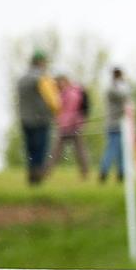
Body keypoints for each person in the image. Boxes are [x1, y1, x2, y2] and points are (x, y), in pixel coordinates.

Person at [16, 51, 57, 184]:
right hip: (41, 119)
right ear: (40, 62)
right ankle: (38, 176)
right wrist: (56, 110)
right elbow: (51, 99)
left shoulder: (22, 79)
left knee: (30, 149)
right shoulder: (42, 78)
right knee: (40, 148)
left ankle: (31, 174)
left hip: (25, 119)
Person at [49, 75, 91, 177]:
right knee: (77, 150)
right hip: (70, 125)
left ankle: (47, 172)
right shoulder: (71, 91)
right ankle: (84, 172)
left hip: (71, 126)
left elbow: (68, 112)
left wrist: (61, 122)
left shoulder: (70, 93)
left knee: (62, 151)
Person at [98, 67, 132, 183]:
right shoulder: (112, 89)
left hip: (123, 124)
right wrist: (125, 86)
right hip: (114, 124)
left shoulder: (118, 87)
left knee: (123, 151)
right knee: (112, 149)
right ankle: (104, 172)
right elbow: (124, 97)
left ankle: (121, 174)